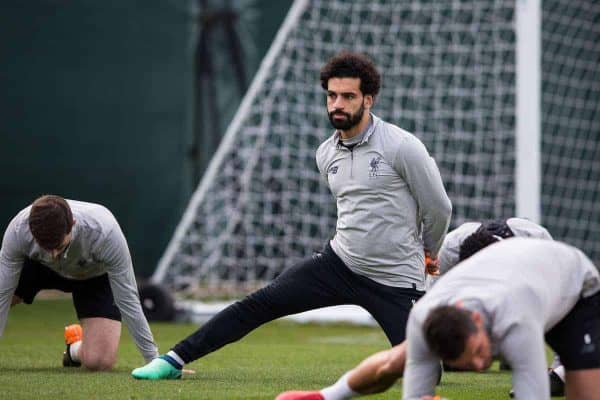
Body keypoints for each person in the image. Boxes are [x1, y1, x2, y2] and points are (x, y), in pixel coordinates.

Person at [131, 51, 452, 380]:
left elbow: (438, 207)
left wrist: (430, 251)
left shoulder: (401, 146)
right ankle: (172, 360)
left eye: (348, 96)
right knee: (258, 303)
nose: (337, 104)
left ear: (368, 99)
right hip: (340, 264)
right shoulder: (325, 154)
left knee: (426, 372)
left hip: (395, 280)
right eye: (331, 95)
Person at [275, 218, 555, 400]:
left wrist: (554, 369)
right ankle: (326, 396)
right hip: (472, 302)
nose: (479, 367)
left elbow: (563, 316)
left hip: (531, 300)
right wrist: (442, 342)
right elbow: (434, 306)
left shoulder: (537, 257)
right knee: (399, 359)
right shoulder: (453, 250)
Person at [405, 238, 600, 399]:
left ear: (477, 320)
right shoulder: (420, 322)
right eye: (466, 365)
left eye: (478, 351)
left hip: (572, 283)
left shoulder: (515, 319)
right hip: (514, 275)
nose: (480, 367)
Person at [0, 195, 159, 370]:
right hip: (39, 267)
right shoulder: (18, 230)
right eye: (46, 246)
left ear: (73, 224)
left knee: (99, 362)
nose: (54, 254)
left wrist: (154, 362)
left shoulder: (105, 233)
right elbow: (2, 294)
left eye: (59, 246)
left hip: (93, 276)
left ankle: (74, 348)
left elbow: (128, 300)